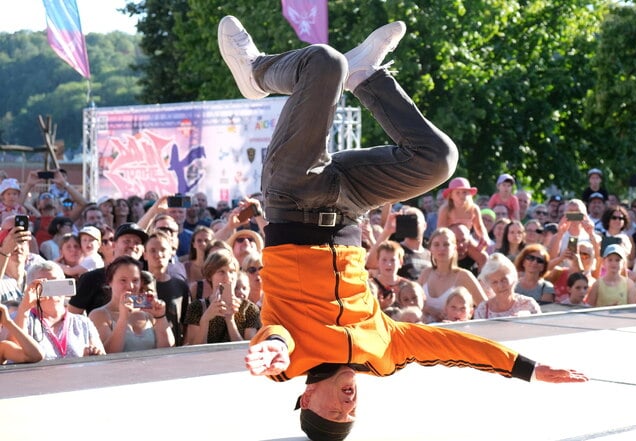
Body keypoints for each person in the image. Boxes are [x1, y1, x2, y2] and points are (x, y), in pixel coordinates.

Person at [218, 17, 586, 441]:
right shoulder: (384, 353)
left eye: (333, 414)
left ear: (305, 399)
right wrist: (529, 369)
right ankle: (367, 77)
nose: (347, 405)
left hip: (293, 196)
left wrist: (276, 349)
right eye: (350, 415)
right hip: (351, 206)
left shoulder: (288, 366)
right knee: (439, 160)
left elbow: (275, 332)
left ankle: (256, 71)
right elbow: (455, 350)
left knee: (322, 62)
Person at [13, 262, 105, 359]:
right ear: (30, 289)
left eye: (56, 283)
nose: (51, 290)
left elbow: (102, 360)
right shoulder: (18, 318)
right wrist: (24, 309)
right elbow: (11, 355)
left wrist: (93, 355)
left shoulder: (83, 323)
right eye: (44, 285)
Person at [88, 256, 174, 353]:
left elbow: (168, 349)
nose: (130, 286)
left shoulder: (149, 312)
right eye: (123, 280)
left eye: (135, 280)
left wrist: (160, 317)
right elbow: (107, 354)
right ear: (110, 282)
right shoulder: (99, 315)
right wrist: (123, 318)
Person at [68, 223, 148, 315]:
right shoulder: (92, 278)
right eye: (127, 241)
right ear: (114, 245)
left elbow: (148, 315)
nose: (132, 245)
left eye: (137, 242)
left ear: (142, 250)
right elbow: (72, 316)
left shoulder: (146, 279)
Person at [184, 248, 260, 344]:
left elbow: (247, 349)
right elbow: (192, 350)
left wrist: (230, 320)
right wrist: (205, 320)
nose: (228, 278)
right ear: (210, 276)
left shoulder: (249, 309)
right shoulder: (196, 307)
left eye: (232, 271)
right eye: (221, 272)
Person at [418, 227, 486, 323]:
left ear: (454, 248)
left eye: (446, 244)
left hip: (455, 332)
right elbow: (414, 303)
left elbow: (485, 307)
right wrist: (430, 310)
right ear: (430, 249)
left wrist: (462, 320)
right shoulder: (425, 274)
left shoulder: (464, 276)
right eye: (436, 244)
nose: (441, 249)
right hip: (427, 332)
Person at [475, 253, 541, 319]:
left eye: (504, 280)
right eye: (494, 282)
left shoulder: (528, 304)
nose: (500, 286)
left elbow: (541, 328)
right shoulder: (483, 309)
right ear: (489, 284)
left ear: (513, 277)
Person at [437, 177, 491, 247]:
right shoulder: (445, 209)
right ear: (451, 195)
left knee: (483, 256)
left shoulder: (474, 208)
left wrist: (484, 236)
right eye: (457, 193)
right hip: (449, 241)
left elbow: (479, 227)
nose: (461, 195)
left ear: (469, 194)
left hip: (465, 240)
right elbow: (440, 230)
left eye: (464, 192)